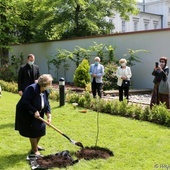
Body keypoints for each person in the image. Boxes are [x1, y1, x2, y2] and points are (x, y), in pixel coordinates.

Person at [15, 74, 53, 155]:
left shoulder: (45, 91)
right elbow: (25, 102)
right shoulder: (31, 89)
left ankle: (35, 145)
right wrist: (34, 110)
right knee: (33, 130)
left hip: (38, 112)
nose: (51, 85)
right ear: (44, 84)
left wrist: (49, 115)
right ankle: (34, 150)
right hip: (26, 112)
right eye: (50, 83)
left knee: (41, 128)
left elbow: (47, 103)